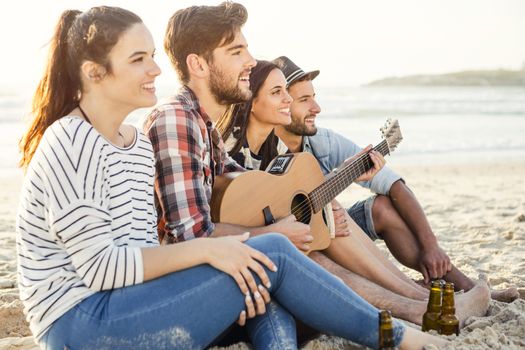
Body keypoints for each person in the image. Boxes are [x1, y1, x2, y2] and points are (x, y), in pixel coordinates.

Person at [15, 6, 451, 350]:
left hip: (131, 302)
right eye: (138, 59)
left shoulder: (133, 142)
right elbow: (102, 267)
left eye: (151, 56)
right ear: (95, 72)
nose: (155, 70)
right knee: (273, 254)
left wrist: (228, 262)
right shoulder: (71, 142)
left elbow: (144, 248)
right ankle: (398, 337)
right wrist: (216, 251)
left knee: (264, 298)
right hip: (81, 323)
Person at [221, 59, 491, 327]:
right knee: (320, 243)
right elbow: (225, 214)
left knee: (334, 213)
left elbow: (282, 202)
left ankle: (421, 296)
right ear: (250, 100)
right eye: (279, 93)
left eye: (288, 94)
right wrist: (286, 228)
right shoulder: (226, 147)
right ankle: (415, 303)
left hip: (285, 238)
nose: (289, 102)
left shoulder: (278, 147)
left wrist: (328, 200)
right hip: (247, 252)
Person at [271, 55, 519, 302]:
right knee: (332, 220)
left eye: (314, 97)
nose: (317, 108)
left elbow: (394, 185)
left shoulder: (322, 141)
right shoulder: (258, 146)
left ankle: (461, 284)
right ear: (280, 103)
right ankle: (421, 292)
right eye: (305, 100)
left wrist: (431, 245)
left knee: (382, 206)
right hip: (289, 240)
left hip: (330, 228)